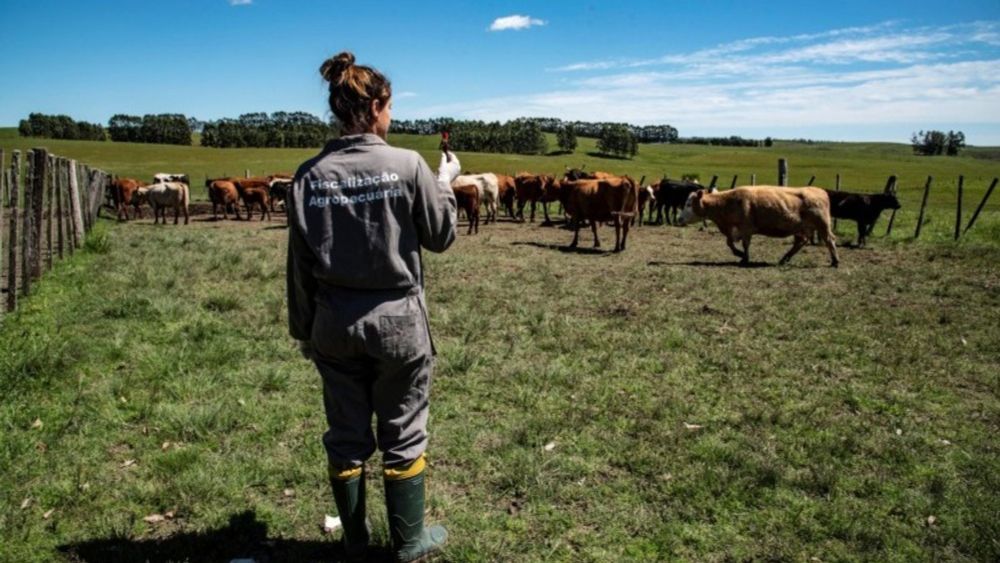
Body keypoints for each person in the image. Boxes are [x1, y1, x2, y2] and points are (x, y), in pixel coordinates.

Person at [286, 51, 460, 562]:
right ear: (378, 105)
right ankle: (408, 541)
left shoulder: (308, 176)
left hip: (333, 322)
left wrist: (303, 329)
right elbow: (442, 236)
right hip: (398, 324)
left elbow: (298, 264)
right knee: (403, 431)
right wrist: (445, 181)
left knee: (345, 434)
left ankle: (355, 542)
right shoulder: (406, 164)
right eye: (390, 107)